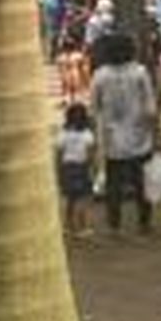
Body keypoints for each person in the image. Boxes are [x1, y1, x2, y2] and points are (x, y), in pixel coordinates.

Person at [90, 34, 157, 235]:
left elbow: (93, 108)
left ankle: (114, 225)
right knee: (142, 183)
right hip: (140, 136)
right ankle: (144, 223)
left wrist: (95, 135)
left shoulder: (100, 75)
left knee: (114, 185)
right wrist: (156, 131)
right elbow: (150, 107)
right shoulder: (140, 72)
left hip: (112, 139)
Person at [58, 102, 96, 238]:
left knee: (70, 199)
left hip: (67, 167)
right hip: (82, 167)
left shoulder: (64, 132)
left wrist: (59, 170)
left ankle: (68, 227)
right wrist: (92, 170)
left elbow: (60, 152)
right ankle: (82, 228)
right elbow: (91, 154)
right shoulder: (87, 134)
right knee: (82, 199)